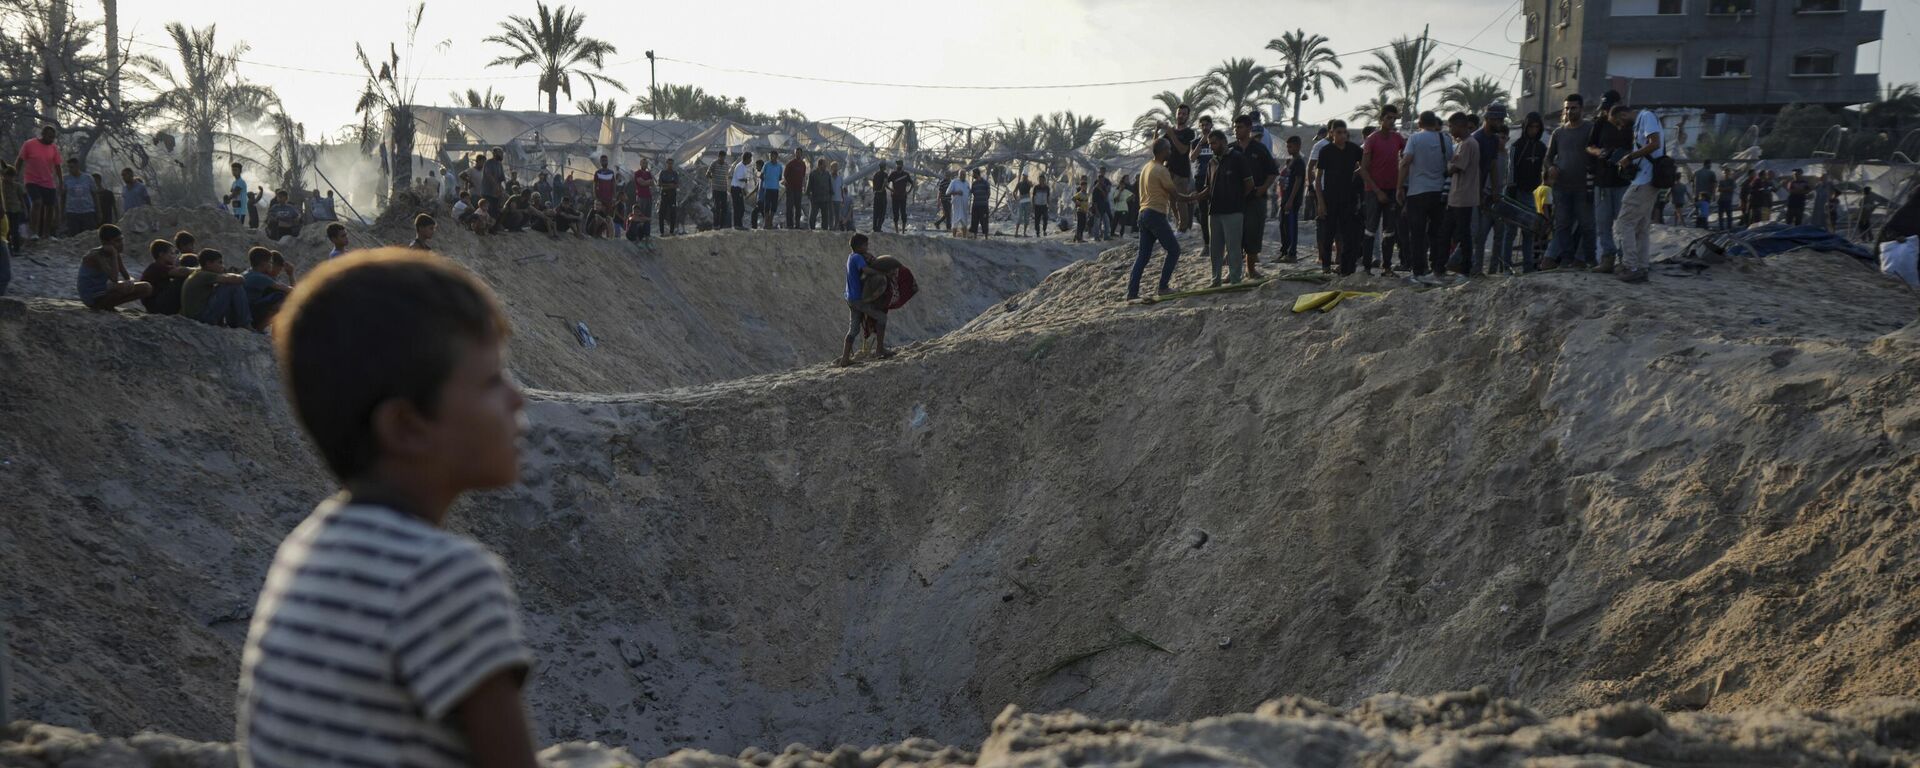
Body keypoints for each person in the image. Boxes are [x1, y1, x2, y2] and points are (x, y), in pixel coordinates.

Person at [238, 248, 539, 767]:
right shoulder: (445, 577)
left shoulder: (303, 549)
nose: (518, 399)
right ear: (405, 426)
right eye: (492, 381)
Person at [1127, 138, 1190, 301]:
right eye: (1169, 149)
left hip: (1143, 214)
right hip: (1155, 214)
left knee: (1143, 256)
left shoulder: (1147, 167)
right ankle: (1163, 286)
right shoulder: (1161, 170)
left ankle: (1132, 293)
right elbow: (1175, 196)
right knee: (1174, 250)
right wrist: (1197, 196)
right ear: (1162, 151)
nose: (1170, 152)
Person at [1610, 103, 1662, 284]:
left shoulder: (1646, 117)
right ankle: (1641, 266)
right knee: (1641, 226)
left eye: (1618, 122)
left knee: (1625, 221)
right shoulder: (1642, 121)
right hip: (1646, 179)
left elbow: (1655, 143)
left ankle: (1630, 265)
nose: (1619, 126)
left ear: (1623, 115)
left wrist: (1630, 157)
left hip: (1644, 181)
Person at [1542, 94, 1596, 270]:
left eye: (1573, 108)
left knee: (1587, 226)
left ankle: (1588, 259)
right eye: (1567, 108)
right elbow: (1548, 158)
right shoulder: (1558, 133)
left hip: (1583, 187)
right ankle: (1566, 260)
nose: (1570, 111)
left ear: (1581, 109)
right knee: (1562, 226)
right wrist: (1550, 168)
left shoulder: (1590, 129)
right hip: (1562, 187)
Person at [1398, 111, 1452, 277]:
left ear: (1420, 124)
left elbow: (1406, 162)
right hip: (1439, 192)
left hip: (1417, 192)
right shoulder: (1445, 139)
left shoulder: (1415, 139)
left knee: (1417, 234)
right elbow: (1449, 162)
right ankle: (1437, 266)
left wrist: (1399, 186)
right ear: (1435, 123)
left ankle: (1418, 270)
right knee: (1437, 232)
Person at [1199, 130, 1253, 285]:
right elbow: (1208, 188)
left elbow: (1249, 184)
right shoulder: (1211, 162)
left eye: (1214, 143)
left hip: (1233, 211)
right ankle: (1215, 279)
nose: (1211, 147)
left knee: (1234, 248)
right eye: (1209, 144)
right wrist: (1192, 197)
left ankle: (1235, 279)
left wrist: (1236, 198)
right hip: (1214, 211)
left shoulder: (1237, 158)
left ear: (1223, 142)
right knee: (1215, 249)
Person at [1587, 91, 1631, 273]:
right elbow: (1590, 145)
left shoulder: (1630, 125)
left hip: (1623, 181)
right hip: (1603, 180)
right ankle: (1608, 257)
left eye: (1608, 109)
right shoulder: (1599, 124)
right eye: (1604, 109)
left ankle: (1624, 259)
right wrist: (1599, 152)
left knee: (1623, 222)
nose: (1605, 113)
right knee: (1603, 221)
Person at [1360, 104, 1407, 275]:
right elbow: (1363, 169)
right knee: (1371, 228)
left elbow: (1407, 154)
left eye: (1395, 119)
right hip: (1373, 190)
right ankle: (1366, 267)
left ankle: (1387, 267)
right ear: (1381, 119)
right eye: (1389, 118)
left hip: (1391, 189)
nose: (1392, 121)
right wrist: (1377, 191)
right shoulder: (1372, 139)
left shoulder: (1397, 138)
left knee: (1390, 230)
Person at [1500, 111, 1549, 272]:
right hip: (1514, 193)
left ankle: (1528, 268)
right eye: (1531, 127)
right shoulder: (1516, 146)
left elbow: (1544, 171)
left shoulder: (1542, 147)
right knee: (1510, 232)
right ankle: (1506, 266)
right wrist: (1511, 189)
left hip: (1533, 194)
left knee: (1529, 231)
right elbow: (1511, 169)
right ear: (1525, 127)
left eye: (1536, 127)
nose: (1533, 130)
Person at [1316, 119, 1365, 275]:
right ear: (1331, 133)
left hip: (1348, 198)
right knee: (1328, 233)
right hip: (1330, 197)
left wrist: (1354, 174)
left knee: (1347, 234)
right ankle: (1325, 266)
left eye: (1344, 132)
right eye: (1338, 132)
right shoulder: (1326, 151)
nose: (1342, 135)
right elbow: (1318, 178)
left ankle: (1345, 267)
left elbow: (1365, 166)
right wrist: (1321, 202)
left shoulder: (1354, 149)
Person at [1234, 116, 1278, 279]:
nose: (1236, 130)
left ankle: (1250, 269)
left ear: (1249, 128)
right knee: (1234, 236)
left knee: (1253, 234)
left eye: (1240, 127)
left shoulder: (1259, 149)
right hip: (1235, 200)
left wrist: (1263, 189)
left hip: (1256, 200)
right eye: (1235, 127)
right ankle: (1234, 271)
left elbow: (1273, 172)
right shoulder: (1232, 150)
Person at [1469, 105, 1509, 274]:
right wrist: (1478, 192)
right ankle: (1473, 268)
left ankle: (1486, 270)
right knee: (1476, 234)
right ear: (1489, 119)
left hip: (1485, 193)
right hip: (1470, 192)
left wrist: (1494, 190)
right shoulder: (1476, 139)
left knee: (1489, 235)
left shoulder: (1492, 140)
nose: (1501, 123)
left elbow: (1492, 165)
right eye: (1498, 120)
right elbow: (1472, 169)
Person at [75, 224, 151, 310]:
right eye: (117, 241)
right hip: (92, 295)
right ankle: (102, 305)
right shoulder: (96, 256)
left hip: (103, 290)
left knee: (146, 287)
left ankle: (109, 305)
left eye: (122, 240)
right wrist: (114, 254)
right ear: (106, 243)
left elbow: (126, 275)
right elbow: (114, 278)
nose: (121, 244)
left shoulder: (115, 254)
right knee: (119, 287)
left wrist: (130, 282)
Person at [1444, 112, 1483, 276]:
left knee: (1463, 234)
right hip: (1457, 196)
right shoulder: (1463, 143)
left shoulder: (1468, 144)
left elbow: (1455, 168)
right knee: (1451, 232)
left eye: (1452, 126)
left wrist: (1448, 165)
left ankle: (1466, 268)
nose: (1451, 130)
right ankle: (1451, 266)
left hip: (1463, 197)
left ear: (1460, 126)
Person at [837, 233, 883, 366]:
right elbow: (866, 270)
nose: (867, 248)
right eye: (866, 245)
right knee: (881, 318)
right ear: (859, 246)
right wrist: (880, 273)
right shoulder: (857, 257)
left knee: (853, 329)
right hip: (858, 299)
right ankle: (880, 350)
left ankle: (845, 359)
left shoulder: (850, 257)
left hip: (850, 297)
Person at [179, 249, 253, 329]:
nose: (222, 266)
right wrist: (236, 275)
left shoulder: (198, 273)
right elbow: (238, 280)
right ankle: (245, 324)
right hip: (201, 318)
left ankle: (233, 323)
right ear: (208, 263)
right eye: (219, 262)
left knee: (224, 286)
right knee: (233, 286)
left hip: (195, 316)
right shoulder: (205, 275)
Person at [16, 126, 62, 241]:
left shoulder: (53, 148)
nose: (51, 139)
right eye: (49, 136)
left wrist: (61, 181)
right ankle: (34, 232)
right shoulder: (29, 144)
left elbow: (57, 165)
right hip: (31, 179)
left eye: (53, 137)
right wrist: (14, 174)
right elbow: (20, 160)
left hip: (48, 181)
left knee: (50, 207)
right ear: (43, 134)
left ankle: (47, 234)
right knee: (37, 202)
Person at [1163, 104, 1197, 232]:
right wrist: (1157, 130)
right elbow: (1157, 146)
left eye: (1184, 114)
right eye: (1179, 113)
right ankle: (1179, 225)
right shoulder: (1170, 131)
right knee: (1171, 201)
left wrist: (1172, 135)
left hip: (1181, 172)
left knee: (1181, 200)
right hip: (1169, 171)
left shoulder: (1189, 132)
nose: (1181, 116)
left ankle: (1184, 228)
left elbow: (1183, 150)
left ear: (1188, 116)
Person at [244, 247, 295, 327]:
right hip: (250, 315)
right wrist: (291, 275)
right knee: (283, 297)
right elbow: (292, 292)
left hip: (247, 312)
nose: (270, 265)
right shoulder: (260, 277)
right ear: (264, 263)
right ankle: (263, 328)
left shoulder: (249, 272)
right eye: (270, 262)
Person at [139, 239, 191, 315]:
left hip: (156, 304)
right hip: (155, 306)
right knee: (182, 279)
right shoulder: (157, 266)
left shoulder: (160, 266)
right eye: (172, 253)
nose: (174, 256)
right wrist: (200, 270)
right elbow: (181, 272)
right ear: (161, 254)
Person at [59, 159, 99, 237]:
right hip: (72, 212)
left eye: (72, 167)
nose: (70, 170)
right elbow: (62, 197)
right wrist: (61, 213)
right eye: (69, 167)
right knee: (73, 237)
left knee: (89, 236)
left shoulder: (88, 178)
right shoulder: (65, 179)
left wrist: (98, 211)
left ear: (77, 166)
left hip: (88, 211)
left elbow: (95, 195)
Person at [783, 149, 807, 229]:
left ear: (801, 154)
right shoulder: (790, 164)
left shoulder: (803, 164)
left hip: (799, 189)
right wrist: (788, 185)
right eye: (796, 153)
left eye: (799, 153)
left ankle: (797, 224)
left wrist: (804, 186)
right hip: (790, 189)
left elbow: (803, 176)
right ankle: (789, 224)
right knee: (789, 207)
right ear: (794, 153)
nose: (798, 154)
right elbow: (785, 175)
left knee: (798, 207)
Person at [759, 150, 783, 229]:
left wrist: (774, 179)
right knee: (767, 206)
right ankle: (766, 222)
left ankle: (770, 222)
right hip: (767, 188)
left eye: (773, 156)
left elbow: (779, 177)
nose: (771, 157)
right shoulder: (766, 164)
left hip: (775, 188)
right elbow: (761, 175)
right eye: (770, 156)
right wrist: (766, 181)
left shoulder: (779, 166)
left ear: (776, 157)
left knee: (774, 206)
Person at [731, 151, 754, 231]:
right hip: (736, 189)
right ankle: (737, 225)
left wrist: (744, 190)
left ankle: (738, 224)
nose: (751, 160)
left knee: (740, 208)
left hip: (738, 189)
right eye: (750, 158)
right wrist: (747, 179)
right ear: (747, 159)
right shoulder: (740, 166)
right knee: (739, 208)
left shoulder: (743, 166)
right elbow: (740, 178)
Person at [808, 157, 833, 230]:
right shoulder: (813, 174)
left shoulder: (827, 173)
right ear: (819, 165)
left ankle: (824, 229)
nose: (825, 167)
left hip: (825, 198)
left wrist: (830, 194)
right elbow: (809, 185)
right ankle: (812, 229)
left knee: (825, 216)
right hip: (815, 198)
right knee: (813, 215)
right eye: (824, 165)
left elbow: (829, 184)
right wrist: (809, 195)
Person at [887, 161, 913, 232]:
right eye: (898, 165)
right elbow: (886, 182)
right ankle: (897, 231)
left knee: (903, 213)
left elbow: (912, 183)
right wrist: (891, 190)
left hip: (902, 197)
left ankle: (903, 231)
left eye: (900, 165)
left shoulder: (906, 174)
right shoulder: (893, 174)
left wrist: (908, 192)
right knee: (896, 214)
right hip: (895, 197)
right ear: (896, 166)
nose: (899, 166)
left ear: (902, 166)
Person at [657, 158, 680, 235]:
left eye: (671, 163)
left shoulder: (675, 173)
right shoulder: (663, 173)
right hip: (664, 194)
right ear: (666, 164)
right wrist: (669, 185)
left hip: (672, 194)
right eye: (669, 163)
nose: (670, 165)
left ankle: (672, 231)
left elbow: (677, 185)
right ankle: (662, 231)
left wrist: (668, 186)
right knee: (662, 212)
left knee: (673, 212)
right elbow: (659, 184)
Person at [1693, 161, 1718, 229]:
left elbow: (1693, 184)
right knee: (1705, 210)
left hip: (1697, 194)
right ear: (1708, 164)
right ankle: (1704, 224)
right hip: (1706, 195)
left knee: (1698, 210)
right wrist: (1714, 195)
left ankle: (1698, 224)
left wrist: (1694, 194)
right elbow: (1714, 184)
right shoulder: (1711, 173)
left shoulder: (1697, 172)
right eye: (1710, 164)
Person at [970, 169, 991, 238]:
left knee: (984, 221)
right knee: (974, 221)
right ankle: (975, 236)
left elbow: (988, 193)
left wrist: (984, 200)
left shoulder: (985, 182)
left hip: (983, 205)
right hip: (976, 205)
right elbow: (972, 192)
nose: (972, 175)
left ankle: (986, 237)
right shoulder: (974, 183)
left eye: (973, 174)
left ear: (976, 174)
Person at [870, 168, 888, 233]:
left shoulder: (876, 174)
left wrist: (875, 190)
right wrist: (882, 190)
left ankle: (874, 228)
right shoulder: (885, 174)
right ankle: (879, 228)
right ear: (884, 167)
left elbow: (873, 183)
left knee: (876, 212)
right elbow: (885, 183)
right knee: (882, 212)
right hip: (882, 195)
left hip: (876, 194)